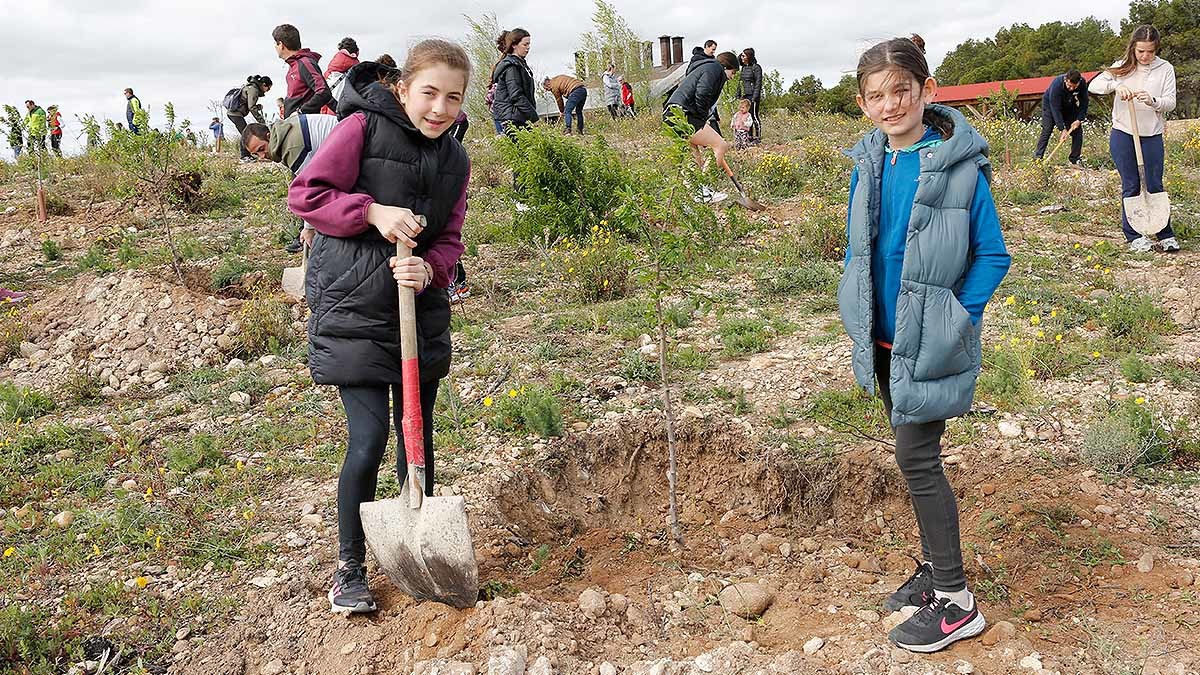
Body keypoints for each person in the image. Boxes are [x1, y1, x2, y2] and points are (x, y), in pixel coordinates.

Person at [287, 39, 470, 615]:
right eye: (429, 93)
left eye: (453, 98)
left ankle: (422, 549)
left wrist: (431, 269)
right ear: (403, 87)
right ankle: (350, 568)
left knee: (418, 440)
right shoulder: (361, 129)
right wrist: (372, 211)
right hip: (356, 310)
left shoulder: (456, 161)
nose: (439, 109)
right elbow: (307, 194)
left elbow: (449, 239)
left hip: (419, 313)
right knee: (367, 440)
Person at [841, 37, 1010, 654]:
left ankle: (957, 600)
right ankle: (934, 569)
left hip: (931, 340)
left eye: (901, 92)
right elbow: (863, 252)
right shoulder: (869, 164)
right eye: (877, 96)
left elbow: (992, 255)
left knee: (917, 459)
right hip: (884, 339)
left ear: (926, 92)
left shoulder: (957, 168)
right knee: (913, 458)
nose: (891, 105)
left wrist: (954, 317)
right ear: (863, 104)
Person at [1089, 24, 1178, 253]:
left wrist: (1153, 100)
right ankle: (1134, 235)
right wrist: (1116, 85)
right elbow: (1095, 85)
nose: (1145, 56)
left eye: (1150, 51)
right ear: (1133, 49)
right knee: (1131, 184)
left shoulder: (1165, 69)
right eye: (1141, 51)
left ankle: (1164, 232)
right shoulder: (1122, 66)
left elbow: (1170, 101)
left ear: (1156, 48)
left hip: (1152, 135)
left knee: (1154, 183)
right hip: (1124, 133)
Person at [243, 111, 339, 251]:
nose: (262, 156)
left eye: (262, 149)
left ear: (269, 137)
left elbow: (312, 188)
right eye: (256, 154)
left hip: (357, 146)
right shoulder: (283, 131)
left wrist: (308, 228)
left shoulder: (291, 147)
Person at [663, 50, 739, 187]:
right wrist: (702, 118)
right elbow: (702, 92)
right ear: (726, 67)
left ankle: (693, 191)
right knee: (721, 145)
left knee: (694, 155)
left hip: (672, 113)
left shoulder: (707, 67)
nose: (732, 77)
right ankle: (704, 187)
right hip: (684, 113)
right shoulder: (714, 69)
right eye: (733, 72)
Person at [273, 23, 333, 118]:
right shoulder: (293, 66)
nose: (275, 47)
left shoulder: (305, 63)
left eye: (275, 43)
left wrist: (300, 112)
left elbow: (324, 92)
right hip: (292, 124)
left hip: (302, 125)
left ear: (281, 44)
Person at [1033, 69, 1088, 165]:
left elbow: (1084, 103)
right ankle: (1038, 158)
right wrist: (1062, 129)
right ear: (1065, 80)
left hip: (1069, 105)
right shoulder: (1057, 85)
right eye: (1069, 86)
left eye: (1074, 87)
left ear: (1079, 82)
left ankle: (1075, 159)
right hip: (1051, 107)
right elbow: (1055, 109)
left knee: (1077, 132)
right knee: (1047, 130)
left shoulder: (1082, 84)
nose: (1071, 89)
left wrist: (1079, 119)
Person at [490, 29, 537, 138]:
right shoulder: (511, 67)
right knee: (520, 152)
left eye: (529, 44)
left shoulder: (520, 64)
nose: (528, 47)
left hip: (518, 116)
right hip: (511, 119)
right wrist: (533, 116)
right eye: (525, 44)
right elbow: (516, 95)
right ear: (514, 45)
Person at [226, 75, 273, 162]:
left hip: (234, 113)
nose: (267, 91)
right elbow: (251, 107)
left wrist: (257, 107)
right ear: (264, 85)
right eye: (268, 88)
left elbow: (248, 104)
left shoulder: (251, 87)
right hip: (235, 113)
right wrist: (261, 121)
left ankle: (246, 155)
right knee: (246, 134)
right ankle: (244, 156)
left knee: (245, 132)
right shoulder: (253, 89)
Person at [323, 37, 360, 114]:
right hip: (341, 106)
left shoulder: (334, 63)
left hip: (328, 105)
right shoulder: (355, 64)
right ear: (356, 51)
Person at [738, 48, 763, 144]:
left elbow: (758, 83)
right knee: (746, 117)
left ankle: (758, 137)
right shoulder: (743, 68)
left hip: (753, 96)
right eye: (741, 55)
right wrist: (739, 94)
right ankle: (749, 136)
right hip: (745, 95)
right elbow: (741, 82)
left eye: (744, 55)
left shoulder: (756, 68)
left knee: (754, 116)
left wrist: (755, 97)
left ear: (749, 56)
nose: (742, 57)